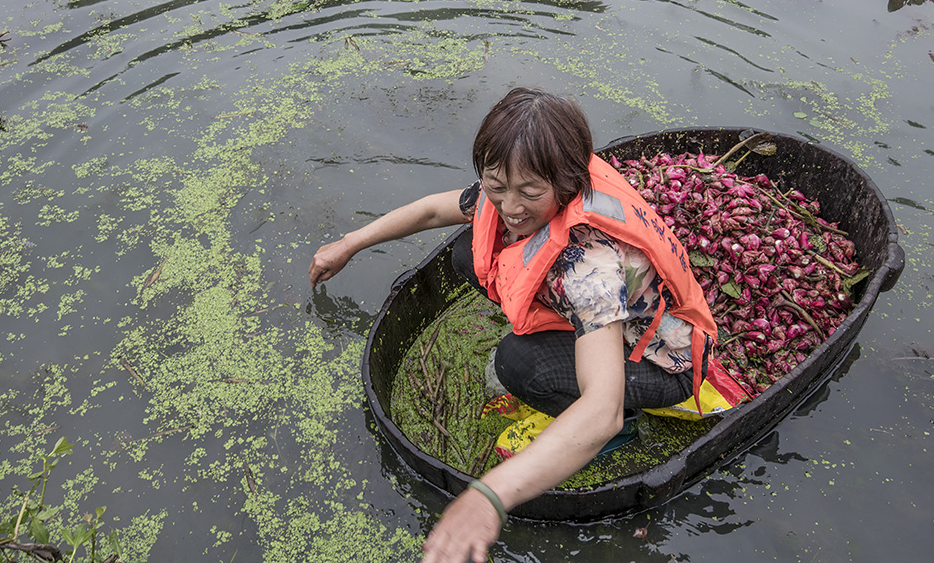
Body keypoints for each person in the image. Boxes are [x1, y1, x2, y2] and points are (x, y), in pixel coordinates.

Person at [308, 87, 723, 563]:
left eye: (530, 193)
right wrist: (350, 243)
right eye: (496, 185)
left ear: (566, 183)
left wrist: (490, 495)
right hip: (603, 319)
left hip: (659, 361)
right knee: (469, 251)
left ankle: (628, 430)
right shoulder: (505, 191)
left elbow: (601, 406)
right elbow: (430, 211)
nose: (510, 207)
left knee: (519, 363)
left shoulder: (586, 266)